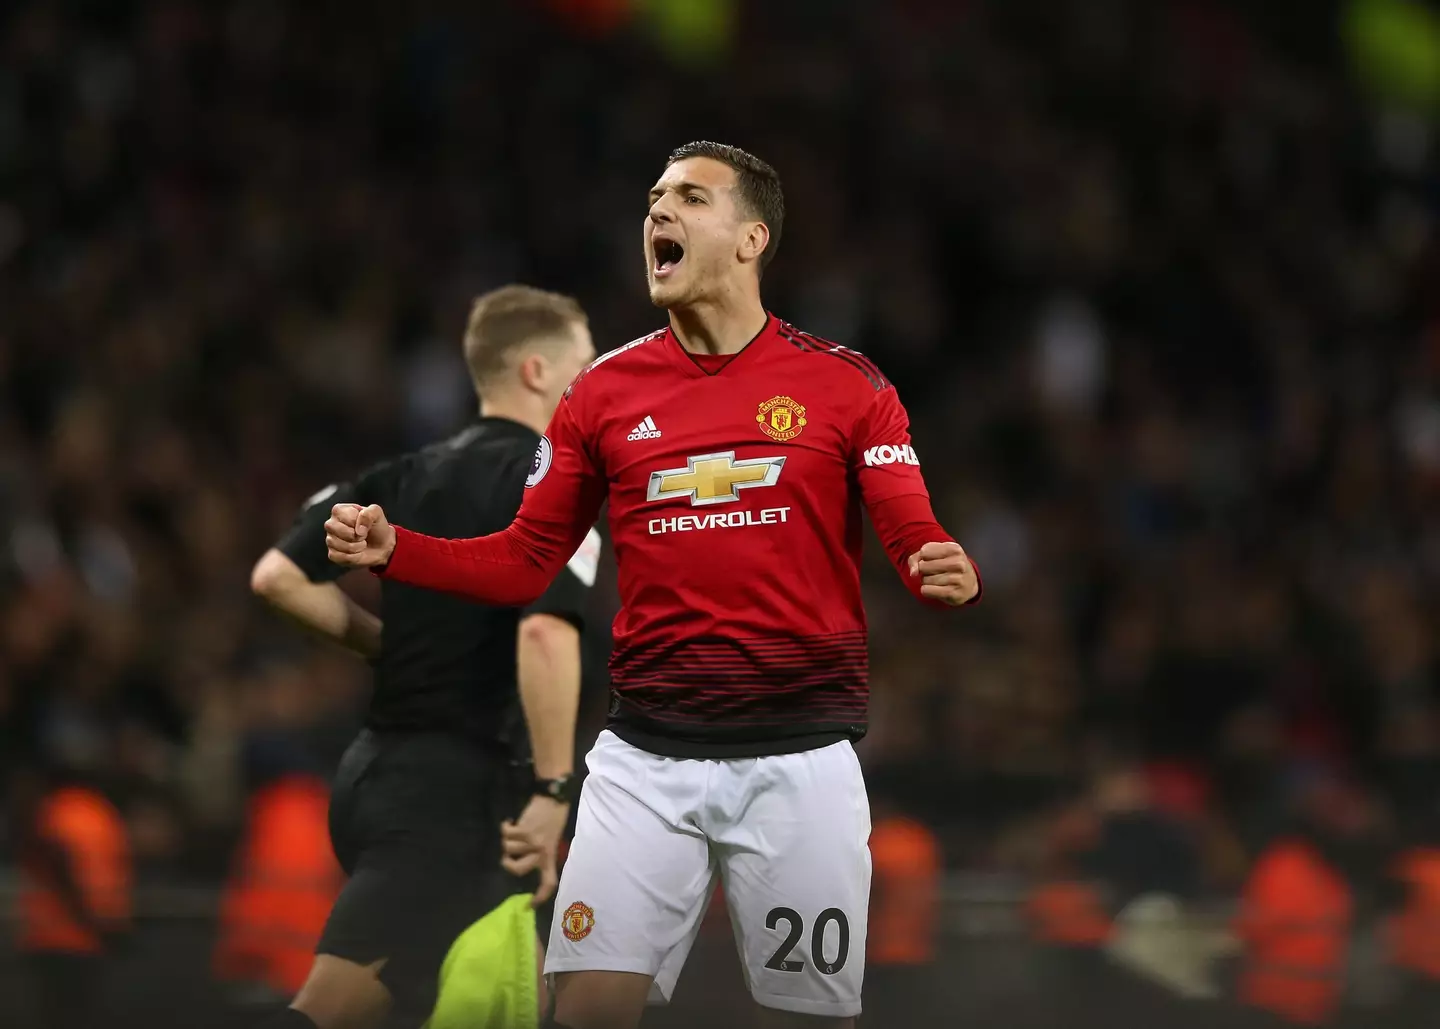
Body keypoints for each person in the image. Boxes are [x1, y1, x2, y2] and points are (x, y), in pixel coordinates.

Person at [325, 141, 981, 1029]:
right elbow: (525, 557)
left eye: (690, 199)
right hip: (644, 764)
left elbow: (911, 527)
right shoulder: (599, 394)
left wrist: (939, 561)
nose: (659, 213)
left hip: (800, 759)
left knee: (805, 1020)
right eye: (655, 198)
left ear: (752, 239)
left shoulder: (844, 386)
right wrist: (400, 549)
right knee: (588, 1010)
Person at [251, 284, 601, 1029]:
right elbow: (545, 633)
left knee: (514, 997)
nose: (595, 379)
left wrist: (384, 646)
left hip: (380, 772)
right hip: (458, 794)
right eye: (585, 362)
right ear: (538, 371)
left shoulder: (400, 476)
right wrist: (553, 787)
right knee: (333, 1006)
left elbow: (277, 577)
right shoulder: (551, 482)